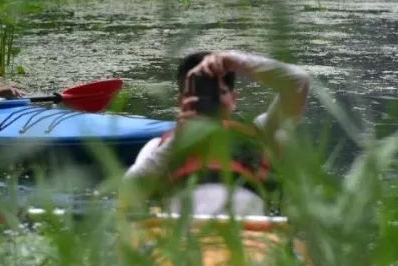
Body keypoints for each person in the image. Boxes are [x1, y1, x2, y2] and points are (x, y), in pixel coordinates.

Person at [125, 50, 310, 217]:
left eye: (220, 92)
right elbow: (129, 190)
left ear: (233, 99)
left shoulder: (264, 131)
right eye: (202, 94)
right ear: (182, 100)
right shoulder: (159, 147)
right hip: (185, 239)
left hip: (253, 237)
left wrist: (236, 61)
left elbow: (299, 81)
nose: (211, 100)